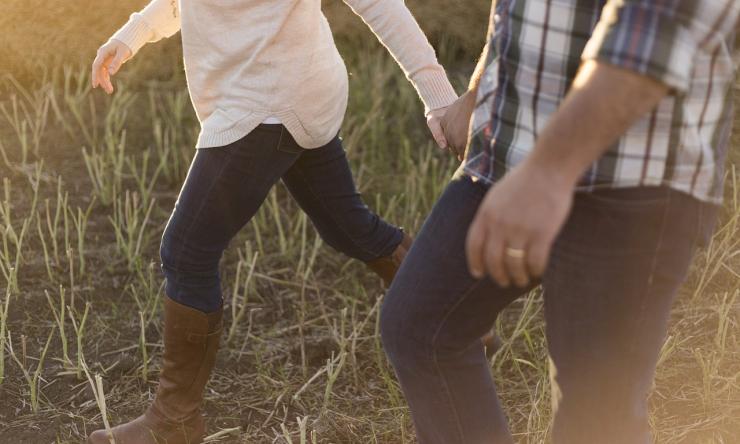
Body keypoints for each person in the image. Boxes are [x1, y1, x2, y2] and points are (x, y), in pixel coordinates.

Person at [86, 1, 460, 443]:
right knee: (348, 228)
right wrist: (133, 35)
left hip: (268, 99)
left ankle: (174, 420)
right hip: (289, 84)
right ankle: (457, 320)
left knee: (186, 251)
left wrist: (440, 99)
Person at [380, 1, 738, 443]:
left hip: (630, 180)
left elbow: (651, 40)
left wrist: (548, 173)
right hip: (511, 148)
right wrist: (479, 89)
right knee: (420, 327)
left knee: (595, 418)